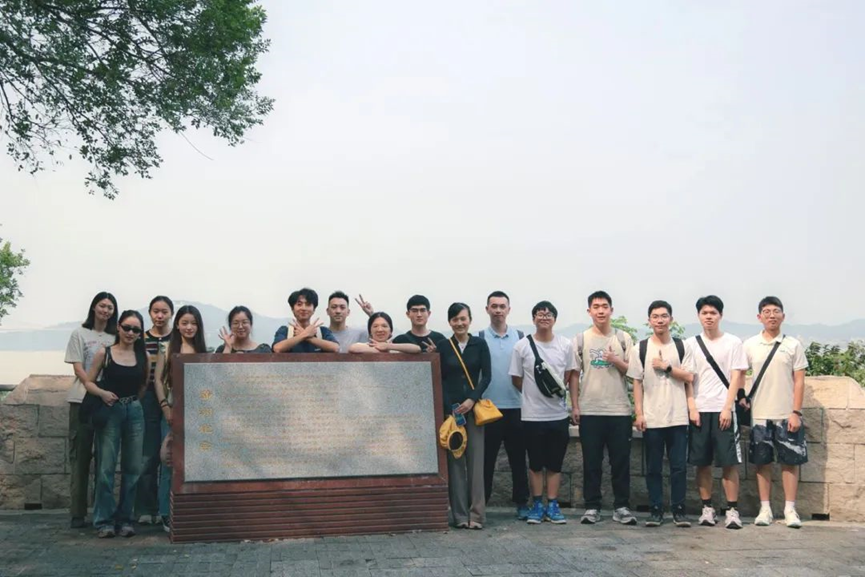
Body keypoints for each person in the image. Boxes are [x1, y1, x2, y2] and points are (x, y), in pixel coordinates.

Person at [83, 310, 150, 538]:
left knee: (133, 469)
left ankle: (126, 519)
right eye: (127, 327)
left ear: (140, 333)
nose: (130, 333)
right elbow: (89, 382)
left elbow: (143, 385)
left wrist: (132, 403)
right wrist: (103, 394)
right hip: (110, 410)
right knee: (106, 468)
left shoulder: (143, 356)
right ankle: (104, 521)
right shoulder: (106, 353)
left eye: (136, 329)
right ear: (119, 327)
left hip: (134, 411)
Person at [628, 300, 695, 527]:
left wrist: (667, 367)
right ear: (649, 321)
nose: (660, 320)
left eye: (664, 316)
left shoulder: (682, 346)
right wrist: (639, 413)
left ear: (671, 319)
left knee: (679, 468)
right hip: (652, 417)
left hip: (678, 416)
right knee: (653, 468)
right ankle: (655, 510)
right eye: (655, 317)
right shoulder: (640, 348)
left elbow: (689, 377)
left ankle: (679, 510)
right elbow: (637, 383)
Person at [743, 296, 809, 529]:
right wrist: (741, 397)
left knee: (790, 462)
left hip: (786, 413)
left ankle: (790, 509)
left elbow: (799, 381)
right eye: (767, 311)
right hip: (760, 414)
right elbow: (739, 374)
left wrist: (796, 412)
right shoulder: (750, 345)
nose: (772, 315)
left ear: (783, 316)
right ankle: (765, 509)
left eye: (776, 311)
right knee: (762, 463)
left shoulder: (793, 345)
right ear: (759, 317)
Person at [572, 290, 636, 525]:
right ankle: (592, 507)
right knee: (591, 462)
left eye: (604, 306)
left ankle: (622, 507)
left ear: (611, 310)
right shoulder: (581, 339)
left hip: (619, 410)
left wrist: (616, 360)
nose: (601, 311)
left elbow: (634, 373)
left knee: (621, 462)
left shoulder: (623, 338)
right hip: (590, 410)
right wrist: (575, 406)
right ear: (589, 311)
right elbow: (574, 375)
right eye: (596, 307)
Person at [510, 301, 576, 525]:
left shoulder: (565, 345)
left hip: (558, 415)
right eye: (540, 314)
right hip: (531, 416)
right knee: (535, 463)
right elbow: (516, 379)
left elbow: (569, 375)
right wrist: (533, 394)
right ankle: (537, 504)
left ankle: (553, 504)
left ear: (555, 319)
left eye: (548, 315)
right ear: (533, 319)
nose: (544, 317)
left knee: (555, 463)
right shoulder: (522, 346)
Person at [686, 295, 748, 529]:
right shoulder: (691, 344)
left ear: (720, 315)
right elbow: (688, 379)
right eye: (704, 313)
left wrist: (727, 408)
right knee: (702, 463)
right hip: (700, 410)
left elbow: (736, 377)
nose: (709, 317)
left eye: (713, 313)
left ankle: (732, 510)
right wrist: (692, 407)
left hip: (723, 409)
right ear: (698, 316)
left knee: (729, 462)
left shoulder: (733, 342)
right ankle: (707, 508)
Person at [64, 291, 118, 529]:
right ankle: (77, 513)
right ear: (94, 307)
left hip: (107, 401)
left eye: (110, 307)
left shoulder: (115, 336)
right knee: (80, 457)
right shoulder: (80, 333)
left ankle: (102, 511)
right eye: (102, 305)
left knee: (105, 460)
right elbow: (78, 368)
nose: (105, 310)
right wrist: (93, 387)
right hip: (81, 399)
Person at [154, 305, 208, 533]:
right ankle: (166, 513)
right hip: (172, 411)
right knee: (169, 462)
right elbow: (158, 380)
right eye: (184, 323)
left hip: (196, 413)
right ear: (177, 324)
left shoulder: (202, 350)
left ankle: (190, 511)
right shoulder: (166, 348)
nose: (189, 327)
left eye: (193, 323)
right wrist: (165, 408)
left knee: (195, 463)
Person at [437, 303, 491, 529]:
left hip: (474, 411)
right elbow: (439, 379)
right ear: (450, 322)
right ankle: (459, 515)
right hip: (452, 413)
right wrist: (450, 407)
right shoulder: (443, 346)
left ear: (470, 320)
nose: (459, 323)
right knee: (456, 463)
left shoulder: (480, 344)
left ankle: (477, 515)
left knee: (476, 464)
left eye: (463, 319)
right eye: (455, 319)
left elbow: (486, 377)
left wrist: (471, 400)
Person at [478, 291, 529, 519]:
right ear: (487, 309)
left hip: (517, 407)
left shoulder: (520, 337)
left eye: (502, 306)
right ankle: (481, 504)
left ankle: (522, 503)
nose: (498, 310)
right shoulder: (479, 338)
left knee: (518, 460)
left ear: (509, 309)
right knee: (485, 461)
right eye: (494, 306)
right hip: (488, 409)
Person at [135, 295, 173, 525]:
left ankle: (165, 508)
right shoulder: (141, 338)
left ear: (171, 314)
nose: (160, 316)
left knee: (168, 455)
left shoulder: (176, 339)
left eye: (164, 311)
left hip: (170, 397)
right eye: (155, 311)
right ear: (149, 313)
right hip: (147, 397)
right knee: (147, 455)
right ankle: (146, 508)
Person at [272, 288, 340, 353]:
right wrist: (304, 335)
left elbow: (336, 348)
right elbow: (277, 348)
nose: (303, 308)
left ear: (314, 310)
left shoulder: (323, 331)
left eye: (308, 304)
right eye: (299, 304)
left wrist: (308, 337)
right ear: (292, 309)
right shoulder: (285, 331)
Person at [348, 312, 421, 354]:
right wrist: (381, 349)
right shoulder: (366, 346)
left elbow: (417, 349)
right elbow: (353, 348)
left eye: (384, 326)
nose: (380, 330)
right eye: (375, 326)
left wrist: (388, 346)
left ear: (390, 331)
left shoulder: (395, 348)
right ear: (370, 332)